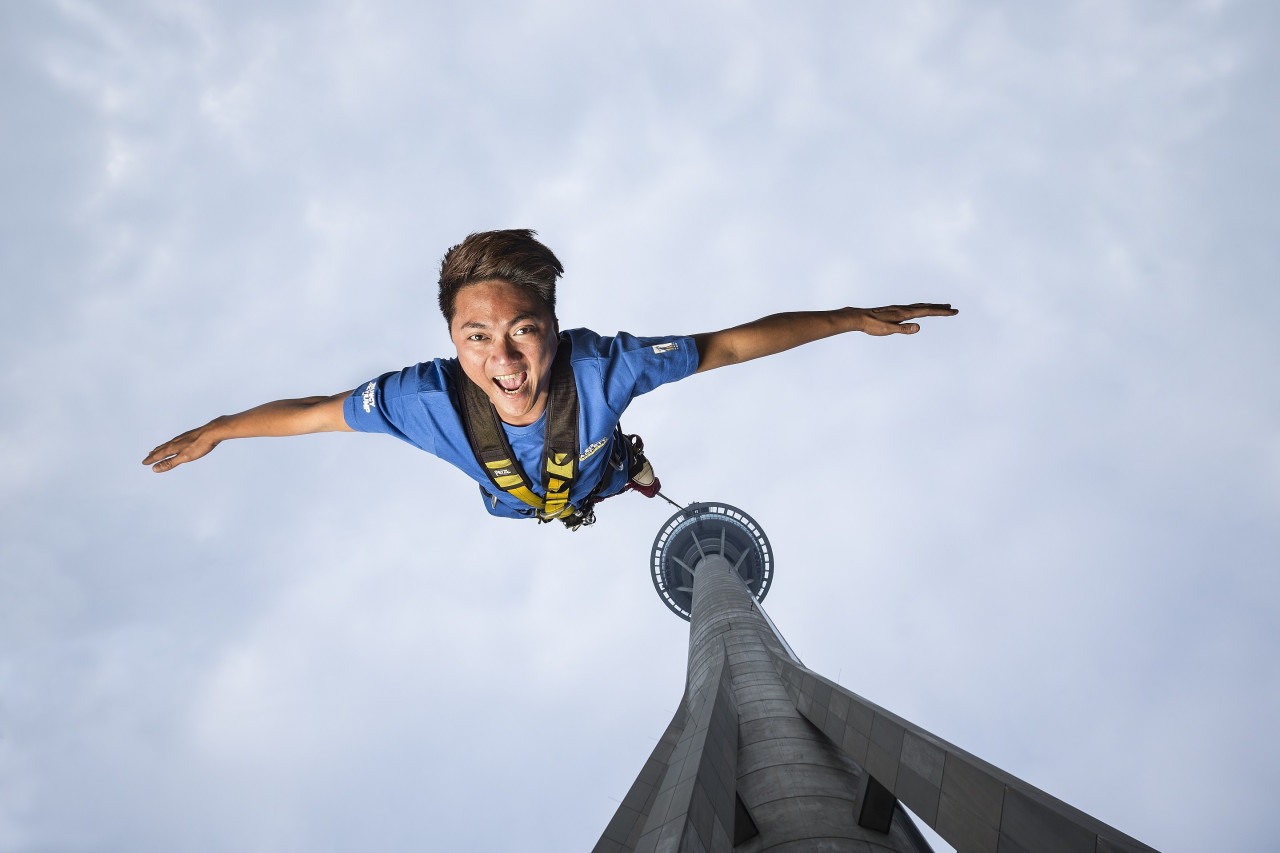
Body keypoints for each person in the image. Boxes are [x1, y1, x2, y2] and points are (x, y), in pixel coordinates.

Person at [144, 229, 957, 528]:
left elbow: (731, 345)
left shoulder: (607, 366)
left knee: (613, 474)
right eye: (478, 337)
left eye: (524, 330)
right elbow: (317, 413)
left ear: (555, 329)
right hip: (519, 498)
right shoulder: (422, 398)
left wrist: (847, 317)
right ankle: (612, 476)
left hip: (590, 473)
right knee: (573, 491)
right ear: (452, 343)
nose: (504, 358)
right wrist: (218, 428)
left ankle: (627, 468)